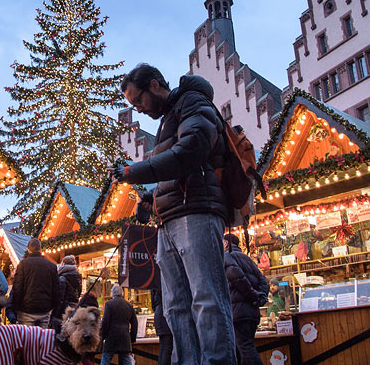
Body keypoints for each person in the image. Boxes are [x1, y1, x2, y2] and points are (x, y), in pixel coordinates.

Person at [113, 63, 236, 364]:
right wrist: (152, 195)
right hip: (170, 219)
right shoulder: (168, 117)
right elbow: (178, 169)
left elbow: (191, 151)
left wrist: (132, 171)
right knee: (175, 307)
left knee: (207, 299)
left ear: (154, 85)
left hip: (198, 212)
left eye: (138, 100)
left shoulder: (193, 102)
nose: (138, 109)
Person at [223, 234, 269, 365]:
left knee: (245, 348)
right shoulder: (249, 260)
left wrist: (253, 296)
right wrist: (260, 298)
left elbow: (237, 278)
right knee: (242, 349)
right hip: (251, 312)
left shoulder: (227, 256)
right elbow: (263, 282)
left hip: (237, 312)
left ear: (226, 243)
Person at [12, 238, 60, 328]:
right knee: (42, 340)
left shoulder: (22, 265)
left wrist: (16, 308)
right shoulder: (51, 266)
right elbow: (56, 290)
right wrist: (52, 307)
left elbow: (17, 288)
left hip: (26, 310)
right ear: (40, 249)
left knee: (27, 340)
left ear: (28, 250)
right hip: (44, 310)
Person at [100, 284, 138, 365]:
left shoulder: (109, 304)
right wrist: (132, 338)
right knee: (126, 360)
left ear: (112, 293)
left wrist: (102, 336)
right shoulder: (129, 305)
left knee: (106, 360)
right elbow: (135, 323)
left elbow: (105, 322)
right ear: (122, 293)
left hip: (111, 338)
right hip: (125, 338)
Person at [51, 255, 82, 331]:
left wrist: (55, 313)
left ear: (63, 264)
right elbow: (78, 293)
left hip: (63, 310)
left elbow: (60, 297)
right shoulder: (78, 277)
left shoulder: (62, 278)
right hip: (74, 308)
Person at [151, 289, 173, 365]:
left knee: (163, 347)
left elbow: (153, 306)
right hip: (165, 316)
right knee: (167, 347)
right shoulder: (163, 285)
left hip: (158, 316)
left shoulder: (153, 286)